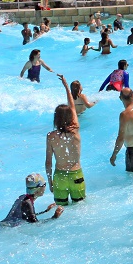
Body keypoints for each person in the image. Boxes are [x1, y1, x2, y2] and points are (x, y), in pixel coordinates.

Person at [46, 75, 85, 206]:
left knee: (60, 211)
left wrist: (50, 181)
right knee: (79, 209)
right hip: (76, 175)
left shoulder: (51, 136)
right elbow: (72, 107)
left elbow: (48, 162)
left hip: (59, 177)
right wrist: (66, 87)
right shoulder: (75, 131)